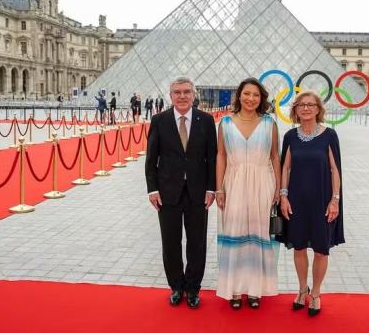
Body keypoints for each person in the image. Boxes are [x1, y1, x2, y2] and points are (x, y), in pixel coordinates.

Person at [145, 76, 217, 309]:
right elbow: (151, 159)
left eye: (187, 91)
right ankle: (176, 286)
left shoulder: (206, 120)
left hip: (197, 192)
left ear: (193, 95)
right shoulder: (159, 120)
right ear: (170, 95)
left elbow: (212, 158)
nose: (182, 96)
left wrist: (211, 188)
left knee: (197, 243)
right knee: (171, 242)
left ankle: (193, 288)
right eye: (177, 92)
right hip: (167, 192)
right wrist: (152, 189)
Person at [276, 91, 344, 317]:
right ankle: (301, 288)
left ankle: (315, 293)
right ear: (295, 109)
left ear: (318, 109)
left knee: (322, 251)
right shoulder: (290, 136)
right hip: (296, 201)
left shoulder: (329, 135)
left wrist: (335, 200)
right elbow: (285, 168)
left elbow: (335, 170)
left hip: (322, 201)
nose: (306, 108)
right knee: (298, 247)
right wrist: (283, 196)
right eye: (301, 105)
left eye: (310, 105)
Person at [215, 77, 281, 309]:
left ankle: (255, 290)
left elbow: (275, 156)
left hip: (263, 182)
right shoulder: (225, 123)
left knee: (257, 233)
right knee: (235, 231)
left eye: (256, 95)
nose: (251, 98)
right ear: (239, 96)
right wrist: (218, 188)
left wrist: (279, 189)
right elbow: (221, 156)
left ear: (261, 98)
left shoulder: (269, 123)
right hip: (233, 182)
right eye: (247, 94)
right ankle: (233, 289)